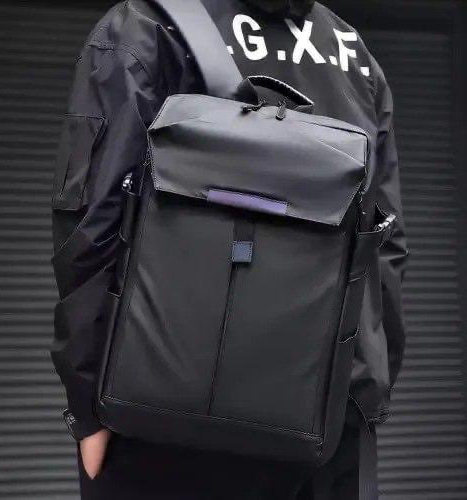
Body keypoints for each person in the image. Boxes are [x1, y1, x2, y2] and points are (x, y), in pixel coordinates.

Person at [50, 1, 409, 498]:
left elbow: (92, 220)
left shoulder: (145, 23)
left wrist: (87, 404)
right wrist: (365, 400)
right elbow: (387, 248)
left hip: (162, 421)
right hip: (326, 423)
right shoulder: (351, 51)